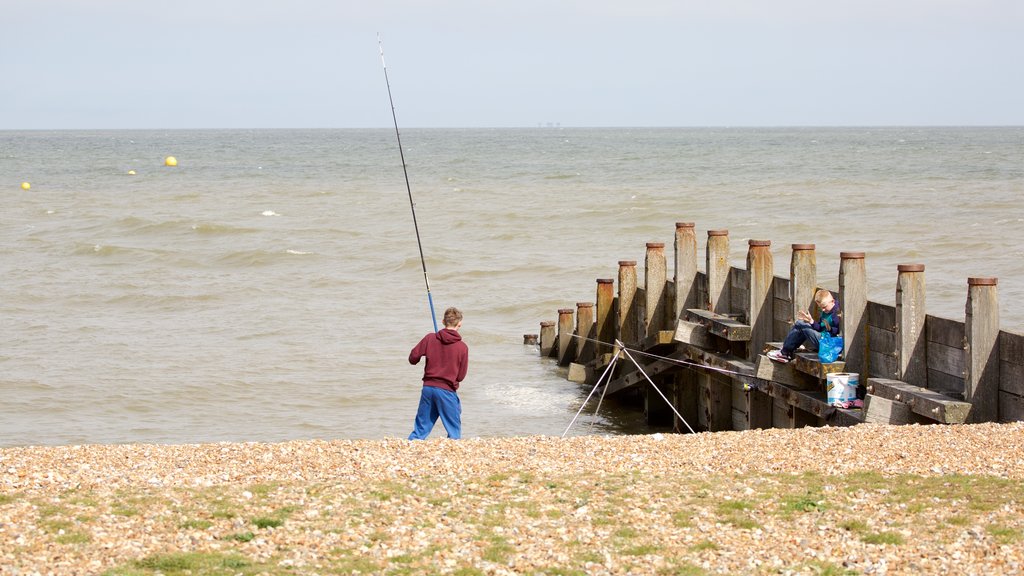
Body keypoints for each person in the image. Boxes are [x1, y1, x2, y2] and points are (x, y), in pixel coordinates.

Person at [407, 307, 469, 440]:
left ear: (443, 321)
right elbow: (461, 376)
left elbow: (412, 358)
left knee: (421, 429)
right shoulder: (462, 347)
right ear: (460, 324)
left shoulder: (430, 338)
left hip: (428, 389)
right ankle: (452, 450)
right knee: (454, 431)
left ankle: (412, 445)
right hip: (447, 390)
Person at [767, 289, 842, 363]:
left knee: (801, 325)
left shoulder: (837, 313)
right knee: (800, 323)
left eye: (824, 307)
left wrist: (830, 329)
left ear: (832, 301)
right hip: (823, 339)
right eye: (821, 307)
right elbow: (819, 328)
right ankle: (787, 350)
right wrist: (811, 321)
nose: (823, 310)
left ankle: (785, 352)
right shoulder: (826, 311)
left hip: (829, 344)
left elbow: (839, 332)